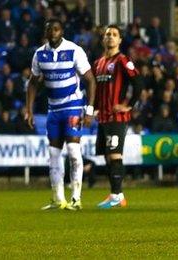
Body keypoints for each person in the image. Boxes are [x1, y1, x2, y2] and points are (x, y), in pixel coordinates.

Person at [26, 19, 97, 211]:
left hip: (73, 106)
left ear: (62, 31)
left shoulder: (74, 50)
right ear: (46, 33)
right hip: (53, 110)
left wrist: (89, 110)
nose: (53, 33)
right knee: (53, 154)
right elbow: (33, 83)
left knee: (74, 152)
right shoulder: (40, 53)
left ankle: (76, 198)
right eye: (49, 30)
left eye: (56, 29)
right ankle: (58, 199)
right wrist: (29, 110)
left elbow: (90, 80)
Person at [92, 25, 143, 209]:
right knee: (107, 156)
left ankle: (116, 195)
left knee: (114, 155)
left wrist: (128, 105)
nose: (110, 37)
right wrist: (95, 108)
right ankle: (117, 194)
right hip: (103, 117)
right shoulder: (98, 63)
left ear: (120, 40)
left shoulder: (123, 60)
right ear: (103, 39)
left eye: (114, 35)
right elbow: (96, 90)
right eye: (107, 34)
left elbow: (138, 82)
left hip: (117, 117)